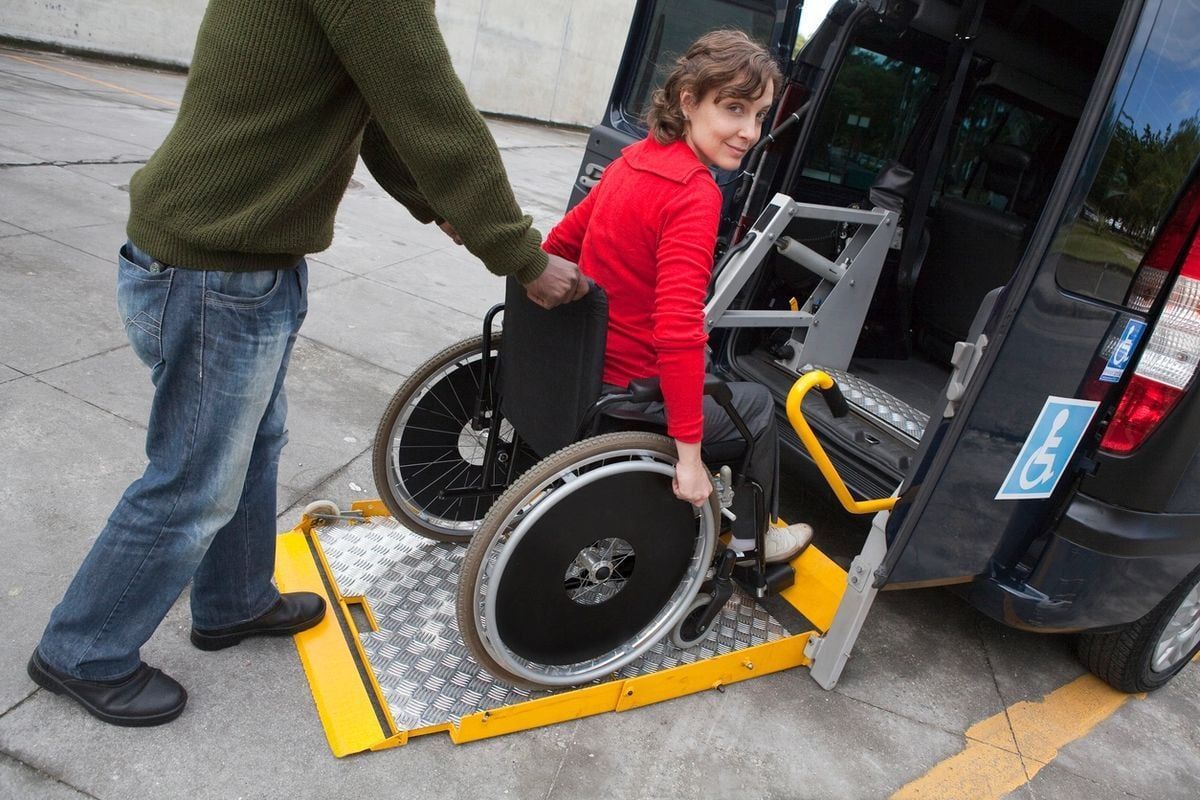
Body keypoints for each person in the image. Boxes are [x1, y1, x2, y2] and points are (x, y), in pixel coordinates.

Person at [28, 0, 585, 727]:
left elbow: (383, 116)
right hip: (216, 271)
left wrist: (443, 210)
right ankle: (82, 652)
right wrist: (516, 252)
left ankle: (233, 601)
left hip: (237, 262)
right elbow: (430, 111)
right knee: (193, 482)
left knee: (255, 447)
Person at [543, 30, 812, 564]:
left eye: (759, 116)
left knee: (714, 373)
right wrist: (688, 458)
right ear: (688, 99)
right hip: (629, 395)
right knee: (757, 405)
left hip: (578, 370)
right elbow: (677, 332)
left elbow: (557, 247)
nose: (749, 132)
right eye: (733, 108)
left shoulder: (631, 160)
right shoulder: (694, 193)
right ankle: (753, 542)